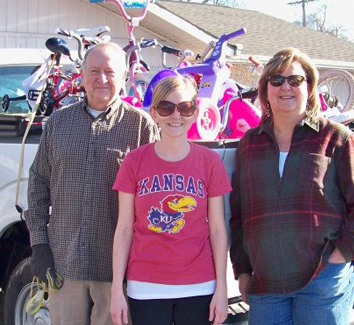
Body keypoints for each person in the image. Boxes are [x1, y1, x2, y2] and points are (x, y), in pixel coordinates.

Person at [25, 42, 159, 325]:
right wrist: (39, 245)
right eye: (94, 71)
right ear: (82, 76)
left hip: (116, 274)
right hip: (64, 268)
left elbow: (153, 200)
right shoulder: (58, 124)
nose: (102, 79)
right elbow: (37, 185)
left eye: (110, 72)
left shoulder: (141, 127)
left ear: (124, 77)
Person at [230, 47, 354, 325]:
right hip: (265, 282)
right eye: (276, 80)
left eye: (295, 80)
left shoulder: (336, 138)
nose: (286, 86)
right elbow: (239, 213)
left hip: (322, 278)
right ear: (265, 89)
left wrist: (340, 255)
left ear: (309, 87)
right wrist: (242, 269)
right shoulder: (249, 143)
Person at [110, 75, 231, 325]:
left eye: (185, 108)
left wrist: (222, 288)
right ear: (154, 113)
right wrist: (116, 290)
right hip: (145, 286)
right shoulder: (134, 162)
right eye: (167, 108)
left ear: (195, 113)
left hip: (199, 285)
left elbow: (218, 229)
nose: (176, 116)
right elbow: (123, 229)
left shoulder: (210, 162)